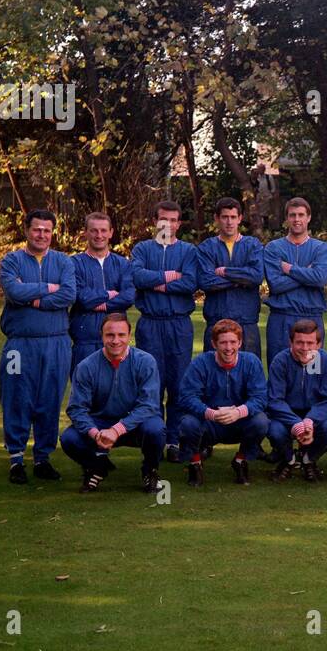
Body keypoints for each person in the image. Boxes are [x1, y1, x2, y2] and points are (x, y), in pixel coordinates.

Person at [0, 209, 77, 484]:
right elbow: (14, 292)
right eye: (37, 229)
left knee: (50, 399)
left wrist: (32, 295)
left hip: (56, 343)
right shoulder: (12, 261)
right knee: (16, 397)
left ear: (53, 233)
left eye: (47, 230)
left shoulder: (64, 262)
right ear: (27, 230)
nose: (42, 235)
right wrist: (48, 288)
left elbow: (68, 294)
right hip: (19, 345)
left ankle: (42, 458)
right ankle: (16, 459)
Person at [61, 314, 166, 493]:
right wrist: (95, 433)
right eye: (110, 335)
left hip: (135, 424)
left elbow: (149, 405)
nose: (115, 340)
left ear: (129, 336)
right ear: (101, 336)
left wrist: (118, 429)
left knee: (156, 429)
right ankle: (96, 466)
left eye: (121, 335)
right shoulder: (86, 366)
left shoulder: (145, 361)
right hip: (100, 425)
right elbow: (76, 409)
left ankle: (150, 470)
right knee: (68, 439)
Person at [130, 200, 200, 462]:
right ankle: (155, 439)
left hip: (178, 324)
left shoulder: (188, 251)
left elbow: (191, 282)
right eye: (163, 220)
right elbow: (136, 277)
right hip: (150, 322)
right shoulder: (143, 249)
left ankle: (174, 440)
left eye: (173, 220)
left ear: (179, 223)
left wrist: (156, 281)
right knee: (152, 383)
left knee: (179, 383)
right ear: (154, 221)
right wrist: (171, 276)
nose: (167, 225)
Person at [176, 319, 269, 486]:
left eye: (233, 342)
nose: (228, 348)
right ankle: (195, 463)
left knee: (261, 421)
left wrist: (238, 412)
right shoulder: (200, 363)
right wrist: (211, 413)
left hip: (239, 421)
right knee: (188, 423)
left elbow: (260, 398)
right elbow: (186, 397)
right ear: (214, 343)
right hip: (209, 422)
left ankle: (241, 461)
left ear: (240, 342)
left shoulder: (251, 362)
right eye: (223, 342)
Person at [265, 318, 327, 483]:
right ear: (291, 342)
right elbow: (274, 399)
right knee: (274, 430)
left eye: (310, 343)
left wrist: (310, 420)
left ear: (318, 344)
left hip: (315, 414)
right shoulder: (280, 361)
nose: (305, 348)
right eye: (299, 342)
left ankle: (308, 460)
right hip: (286, 414)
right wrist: (296, 423)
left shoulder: (326, 361)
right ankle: (289, 460)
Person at [263, 197, 327, 366]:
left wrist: (290, 269)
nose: (297, 219)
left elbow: (320, 279)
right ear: (286, 219)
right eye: (292, 215)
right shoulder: (273, 248)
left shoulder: (321, 248)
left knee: (312, 370)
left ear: (308, 217)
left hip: (311, 317)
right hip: (281, 318)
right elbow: (276, 284)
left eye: (301, 215)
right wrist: (307, 274)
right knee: (280, 369)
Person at [68, 211, 135, 374]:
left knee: (117, 393)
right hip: (85, 340)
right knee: (84, 393)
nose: (99, 235)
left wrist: (97, 304)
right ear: (85, 233)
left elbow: (128, 296)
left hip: (116, 342)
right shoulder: (73, 263)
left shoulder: (122, 264)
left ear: (111, 232)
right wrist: (109, 294)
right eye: (94, 230)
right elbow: (81, 298)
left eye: (104, 230)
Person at [196, 197, 263, 357]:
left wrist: (226, 271)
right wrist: (241, 280)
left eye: (233, 217)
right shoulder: (206, 248)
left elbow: (256, 276)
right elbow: (206, 281)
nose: (229, 222)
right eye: (225, 217)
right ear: (217, 218)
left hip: (246, 323)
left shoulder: (252, 245)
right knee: (214, 374)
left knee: (249, 374)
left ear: (240, 218)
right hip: (217, 322)